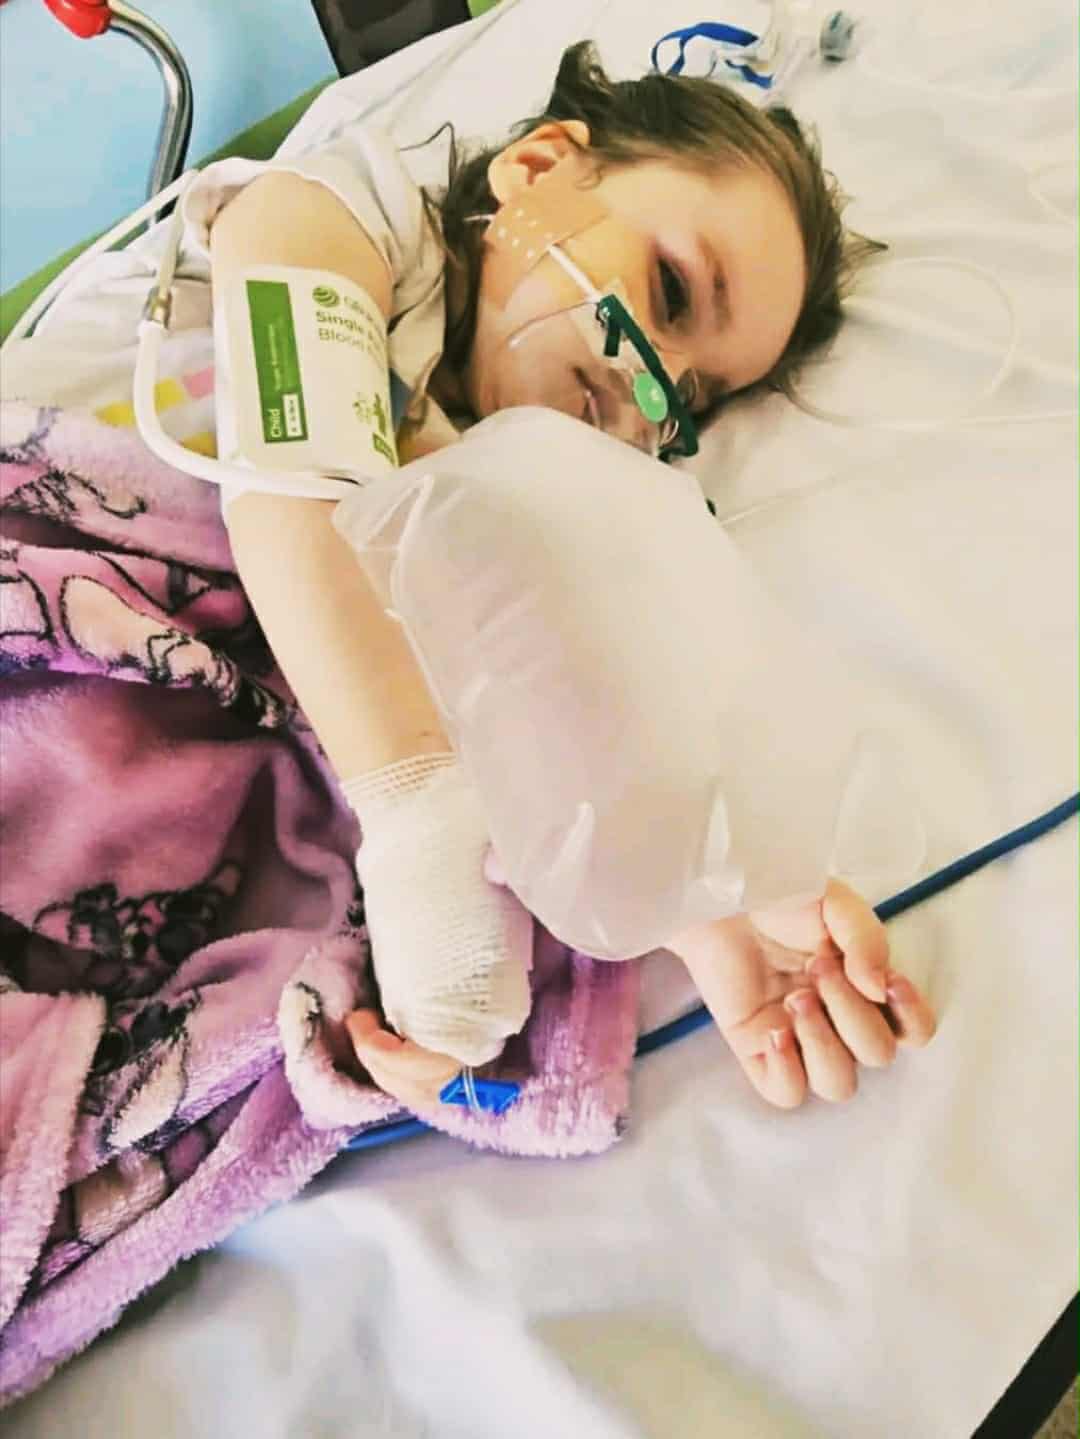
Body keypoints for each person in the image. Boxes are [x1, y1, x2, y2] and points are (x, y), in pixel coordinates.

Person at [11, 41, 938, 1114]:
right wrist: (422, 826)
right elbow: (295, 477)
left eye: (693, 399)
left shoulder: (522, 491)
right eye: (672, 289)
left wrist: (706, 914)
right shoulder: (339, 220)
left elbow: (548, 722)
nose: (653, 379)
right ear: (540, 168)